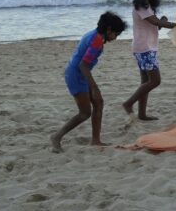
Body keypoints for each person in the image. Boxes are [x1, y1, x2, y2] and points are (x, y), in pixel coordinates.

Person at [51, 11, 127, 152]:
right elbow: (83, 65)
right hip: (76, 75)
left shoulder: (94, 35)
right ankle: (56, 137)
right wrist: (94, 88)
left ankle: (96, 140)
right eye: (115, 34)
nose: (115, 38)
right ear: (109, 29)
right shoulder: (97, 41)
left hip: (79, 73)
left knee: (99, 103)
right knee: (85, 113)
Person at [122, 0, 176, 121]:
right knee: (155, 81)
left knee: (145, 82)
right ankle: (128, 103)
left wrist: (162, 21)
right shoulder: (141, 7)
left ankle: (142, 114)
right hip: (144, 49)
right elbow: (154, 21)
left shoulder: (147, 5)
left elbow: (155, 25)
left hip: (146, 47)